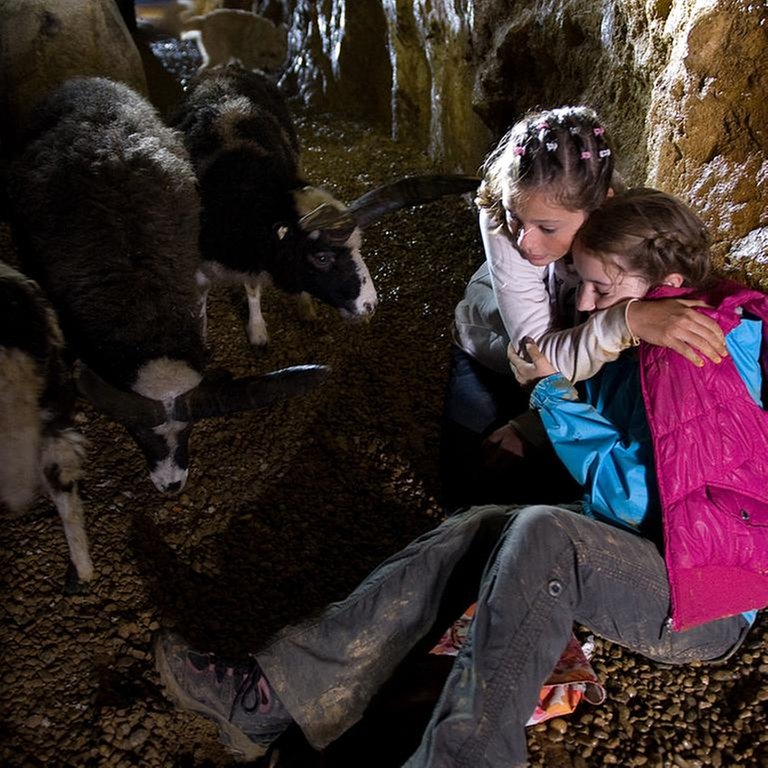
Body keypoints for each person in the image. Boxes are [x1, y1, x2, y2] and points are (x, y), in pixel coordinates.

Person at [154, 188, 768, 766]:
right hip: (662, 554)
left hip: (705, 596)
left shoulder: (690, 352)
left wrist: (551, 399)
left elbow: (631, 499)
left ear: (669, 284)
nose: (584, 304)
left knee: (543, 535)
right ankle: (267, 697)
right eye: (582, 285)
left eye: (601, 290)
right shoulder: (653, 328)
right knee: (478, 528)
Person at [441, 106, 728, 509]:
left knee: (544, 490)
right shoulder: (502, 223)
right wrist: (625, 320)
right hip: (490, 350)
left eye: (548, 228)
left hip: (575, 377)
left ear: (600, 207)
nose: (525, 242)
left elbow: (606, 375)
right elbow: (534, 358)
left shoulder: (622, 233)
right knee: (469, 474)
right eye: (515, 217)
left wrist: (536, 425)